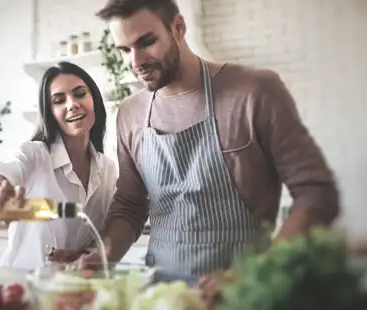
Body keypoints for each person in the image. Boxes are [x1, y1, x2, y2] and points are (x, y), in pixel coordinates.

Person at [83, 0, 340, 304]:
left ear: (178, 27)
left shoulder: (254, 92)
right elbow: (129, 204)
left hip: (245, 293)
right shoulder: (130, 113)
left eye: (147, 42)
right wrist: (101, 257)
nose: (135, 61)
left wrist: (258, 270)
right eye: (124, 50)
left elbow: (316, 192)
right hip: (163, 296)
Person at [0, 61, 117, 270]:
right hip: (20, 284)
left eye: (80, 93)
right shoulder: (35, 154)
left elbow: (98, 237)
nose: (72, 104)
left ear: (94, 100)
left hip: (70, 289)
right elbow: (7, 166)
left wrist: (81, 253)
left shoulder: (107, 169)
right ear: (49, 112)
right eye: (58, 100)